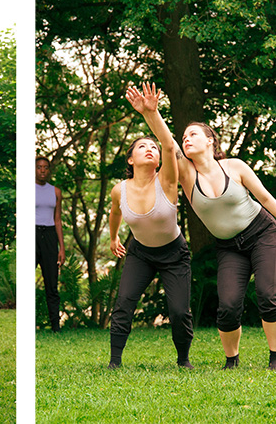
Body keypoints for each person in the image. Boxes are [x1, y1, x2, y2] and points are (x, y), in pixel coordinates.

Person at [135, 82, 276, 371]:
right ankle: (231, 360)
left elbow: (264, 197)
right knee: (227, 306)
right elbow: (166, 142)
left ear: (210, 141)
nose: (186, 139)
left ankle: (275, 358)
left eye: (193, 135)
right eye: (184, 136)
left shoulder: (235, 167)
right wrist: (151, 112)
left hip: (263, 234)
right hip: (229, 247)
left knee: (267, 294)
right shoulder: (187, 174)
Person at [106, 84, 194, 369]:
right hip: (140, 253)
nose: (150, 149)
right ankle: (115, 362)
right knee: (124, 303)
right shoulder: (120, 190)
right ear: (130, 159)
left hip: (174, 253)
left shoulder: (167, 180)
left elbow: (169, 145)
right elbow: (114, 214)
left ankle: (183, 360)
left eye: (152, 147)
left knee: (179, 311)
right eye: (142, 146)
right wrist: (112, 239)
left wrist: (151, 113)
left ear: (158, 160)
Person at [35, 156, 65, 332]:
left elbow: (58, 220)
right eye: (39, 167)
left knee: (52, 284)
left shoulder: (56, 192)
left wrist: (61, 247)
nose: (43, 170)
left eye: (46, 167)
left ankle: (55, 326)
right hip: (32, 234)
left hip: (50, 236)